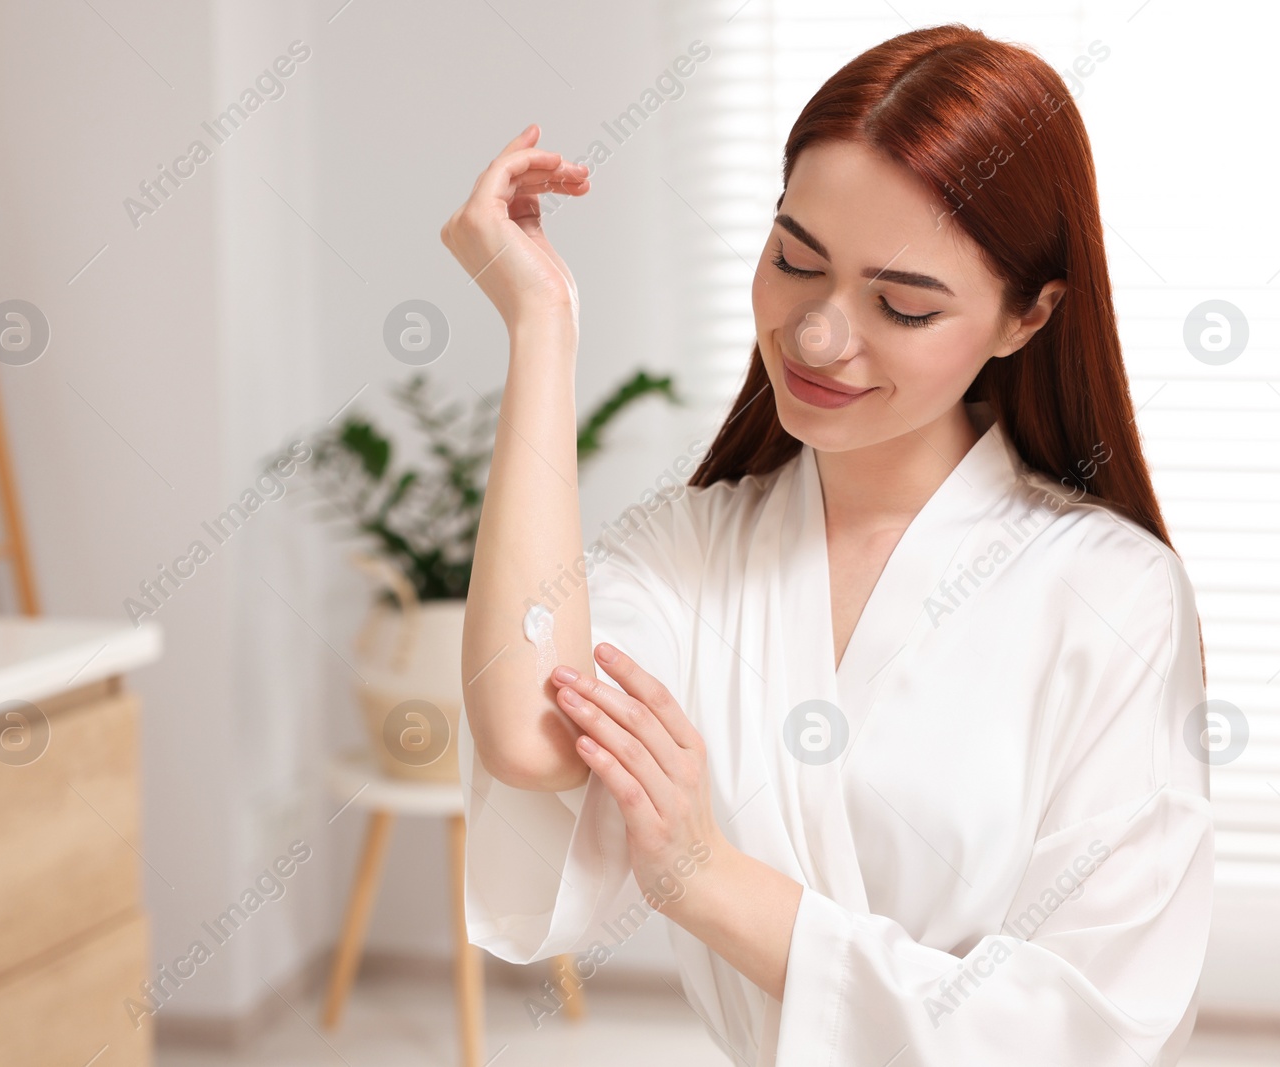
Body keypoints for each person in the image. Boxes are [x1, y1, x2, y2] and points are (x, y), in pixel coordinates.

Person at [443, 23, 1213, 1067]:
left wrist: (703, 874)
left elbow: (1081, 1024)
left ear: (1027, 316)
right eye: (794, 260)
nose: (814, 336)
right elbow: (529, 737)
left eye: (900, 303)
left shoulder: (1112, 594)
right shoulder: (693, 553)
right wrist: (541, 327)